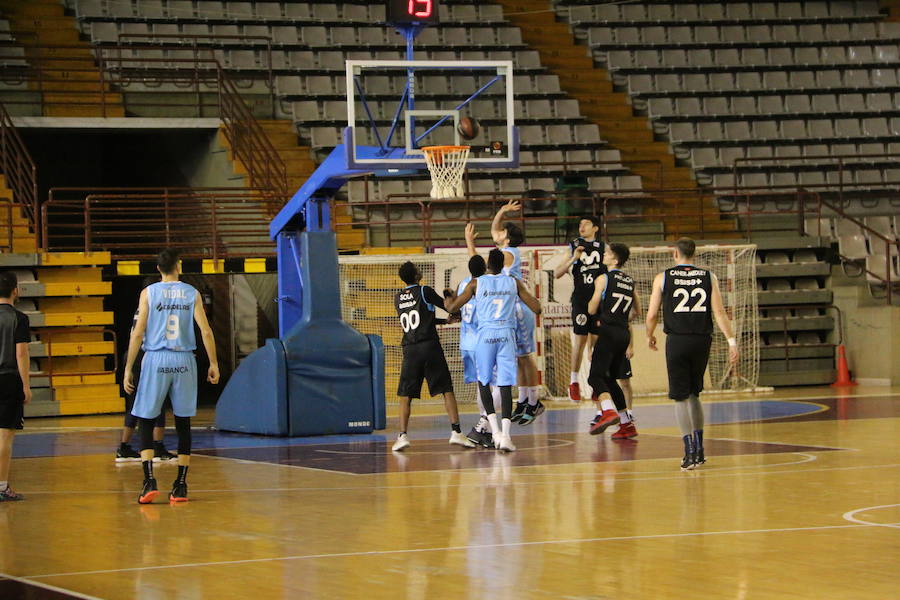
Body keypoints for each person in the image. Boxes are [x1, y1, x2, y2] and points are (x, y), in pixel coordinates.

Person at [124, 249, 220, 503]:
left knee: (145, 418)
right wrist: (213, 363)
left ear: (158, 269)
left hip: (156, 358)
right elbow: (206, 331)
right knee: (183, 422)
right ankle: (180, 485)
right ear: (179, 265)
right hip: (184, 359)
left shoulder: (148, 293)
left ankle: (149, 481)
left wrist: (128, 367)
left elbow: (137, 332)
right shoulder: (192, 293)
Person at [645, 238, 739, 470]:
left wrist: (650, 335)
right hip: (702, 340)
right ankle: (700, 449)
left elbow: (652, 314)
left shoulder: (663, 277)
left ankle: (688, 452)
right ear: (694, 254)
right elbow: (718, 312)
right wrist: (732, 342)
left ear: (675, 253)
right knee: (695, 394)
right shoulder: (709, 276)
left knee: (680, 396)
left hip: (677, 340)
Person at [445, 249, 543, 452]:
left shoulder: (476, 283)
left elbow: (453, 308)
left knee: (484, 382)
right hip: (507, 335)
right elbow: (537, 308)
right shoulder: (513, 282)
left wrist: (448, 299)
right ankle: (506, 437)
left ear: (488, 264)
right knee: (505, 384)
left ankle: (495, 432)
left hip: (485, 336)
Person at [392, 261, 475, 452]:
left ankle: (402, 436)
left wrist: (442, 322)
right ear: (415, 276)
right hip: (429, 346)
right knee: (446, 389)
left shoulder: (398, 298)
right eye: (417, 269)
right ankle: (456, 432)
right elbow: (450, 308)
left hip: (410, 349)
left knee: (405, 395)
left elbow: (419, 319)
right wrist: (452, 299)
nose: (420, 270)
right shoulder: (424, 291)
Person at [489, 200, 542, 425]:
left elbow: (485, 269)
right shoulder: (506, 249)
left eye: (501, 232)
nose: (496, 234)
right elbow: (493, 231)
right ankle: (522, 400)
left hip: (520, 309)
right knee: (519, 358)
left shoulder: (509, 253)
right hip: (512, 309)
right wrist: (502, 210)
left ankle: (534, 401)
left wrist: (470, 245)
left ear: (507, 238)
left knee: (526, 358)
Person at [116, 276, 177, 463]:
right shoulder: (157, 308)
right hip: (148, 357)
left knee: (135, 404)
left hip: (133, 355)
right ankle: (157, 447)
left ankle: (124, 448)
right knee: (159, 402)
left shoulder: (140, 308)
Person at [585, 243, 642, 439]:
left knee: (594, 377)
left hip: (608, 332)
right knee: (610, 379)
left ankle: (607, 411)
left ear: (615, 260)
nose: (604, 254)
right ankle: (627, 424)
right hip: (623, 333)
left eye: (608, 253)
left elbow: (592, 309)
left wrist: (595, 304)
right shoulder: (630, 281)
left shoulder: (603, 278)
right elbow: (637, 310)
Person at [553, 216, 605, 402]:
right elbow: (557, 273)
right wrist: (573, 259)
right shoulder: (574, 246)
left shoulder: (603, 248)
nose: (581, 227)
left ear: (596, 228)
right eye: (580, 224)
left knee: (597, 344)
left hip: (599, 299)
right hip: (581, 299)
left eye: (586, 224)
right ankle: (573, 381)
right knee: (581, 340)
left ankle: (596, 383)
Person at [0, 272, 29, 501]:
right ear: (15, 291)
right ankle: (1, 486)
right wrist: (26, 386)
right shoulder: (19, 317)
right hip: (9, 379)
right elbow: (21, 353)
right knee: (4, 437)